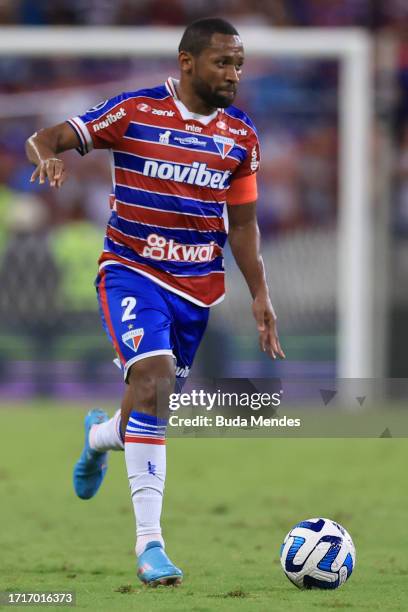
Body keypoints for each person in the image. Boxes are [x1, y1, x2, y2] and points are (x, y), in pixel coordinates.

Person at [25, 17, 285, 587]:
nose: (233, 74)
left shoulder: (241, 135)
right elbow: (49, 136)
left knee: (149, 404)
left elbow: (242, 225)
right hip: (130, 271)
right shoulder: (135, 111)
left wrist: (260, 292)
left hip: (196, 288)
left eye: (239, 63)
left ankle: (99, 436)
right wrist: (46, 156)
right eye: (222, 62)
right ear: (187, 61)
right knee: (154, 381)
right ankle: (151, 547)